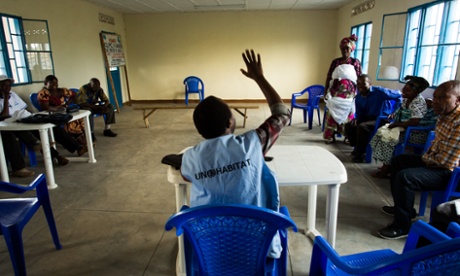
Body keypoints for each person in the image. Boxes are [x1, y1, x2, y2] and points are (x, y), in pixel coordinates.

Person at [180, 49, 290, 258]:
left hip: (212, 250)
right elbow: (282, 113)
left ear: (199, 130)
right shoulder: (253, 143)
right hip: (257, 247)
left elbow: (187, 175)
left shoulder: (190, 157)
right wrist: (260, 78)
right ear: (230, 122)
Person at [378, 80, 460, 240]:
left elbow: (447, 162)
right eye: (435, 97)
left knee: (405, 177)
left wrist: (427, 158)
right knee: (398, 161)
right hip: (436, 162)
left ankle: (402, 226)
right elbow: (435, 147)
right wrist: (427, 157)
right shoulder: (444, 115)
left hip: (451, 174)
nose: (436, 101)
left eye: (442, 98)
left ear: (457, 100)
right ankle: (405, 209)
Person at [0, 75, 68, 177]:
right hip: (4, 126)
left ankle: (56, 156)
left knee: (37, 128)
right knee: (10, 136)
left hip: (16, 121)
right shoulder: (5, 97)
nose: (7, 88)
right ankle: (19, 168)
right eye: (4, 85)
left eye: (9, 85)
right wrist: (5, 98)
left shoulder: (13, 95)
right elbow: (4, 115)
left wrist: (31, 117)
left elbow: (23, 109)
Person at [369, 76, 429, 177]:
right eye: (404, 89)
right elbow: (401, 111)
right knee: (381, 134)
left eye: (407, 91)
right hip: (405, 129)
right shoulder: (407, 99)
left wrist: (397, 124)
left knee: (389, 139)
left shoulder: (418, 102)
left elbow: (415, 122)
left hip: (416, 133)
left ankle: (386, 169)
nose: (403, 92)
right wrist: (394, 114)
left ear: (416, 92)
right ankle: (387, 164)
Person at [344, 74, 402, 163]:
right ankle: (357, 147)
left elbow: (399, 96)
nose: (360, 86)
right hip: (369, 118)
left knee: (363, 127)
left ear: (370, 84)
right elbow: (360, 113)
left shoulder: (380, 92)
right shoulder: (359, 97)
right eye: (358, 84)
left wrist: (395, 112)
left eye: (363, 83)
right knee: (349, 125)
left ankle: (361, 154)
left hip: (382, 118)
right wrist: (356, 119)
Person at [323, 34, 362, 143]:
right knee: (332, 114)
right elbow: (329, 76)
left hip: (349, 95)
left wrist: (359, 93)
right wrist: (326, 90)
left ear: (351, 50)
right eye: (343, 48)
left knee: (348, 115)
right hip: (335, 94)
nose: (345, 51)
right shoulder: (336, 62)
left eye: (347, 49)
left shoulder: (355, 62)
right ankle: (330, 136)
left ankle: (348, 136)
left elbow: (359, 78)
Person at [37, 75, 87, 156]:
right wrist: (57, 108)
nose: (55, 85)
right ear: (46, 83)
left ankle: (82, 143)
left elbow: (74, 95)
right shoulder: (43, 93)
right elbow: (45, 107)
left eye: (56, 83)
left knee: (78, 119)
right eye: (52, 83)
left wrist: (67, 104)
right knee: (70, 122)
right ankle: (83, 144)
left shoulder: (61, 90)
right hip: (51, 114)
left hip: (62, 112)